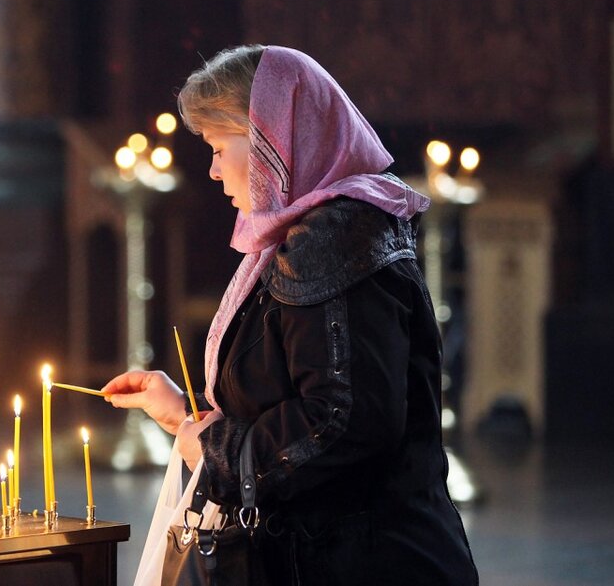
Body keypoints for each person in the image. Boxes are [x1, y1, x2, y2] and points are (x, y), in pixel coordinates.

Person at [104, 45, 479, 585]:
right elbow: (298, 390)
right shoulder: (307, 237)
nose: (211, 170)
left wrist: (216, 451)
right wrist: (182, 416)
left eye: (217, 146)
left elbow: (341, 423)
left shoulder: (333, 243)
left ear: (270, 145)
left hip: (360, 564)